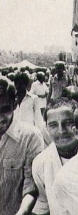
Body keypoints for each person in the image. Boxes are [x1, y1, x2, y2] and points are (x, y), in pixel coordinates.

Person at [0, 77, 44, 215]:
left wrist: (22, 212)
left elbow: (31, 186)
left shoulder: (31, 138)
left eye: (4, 110)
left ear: (14, 104)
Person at [32, 98, 78, 215]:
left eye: (68, 123)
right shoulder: (41, 163)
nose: (61, 130)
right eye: (53, 125)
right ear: (46, 128)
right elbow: (43, 204)